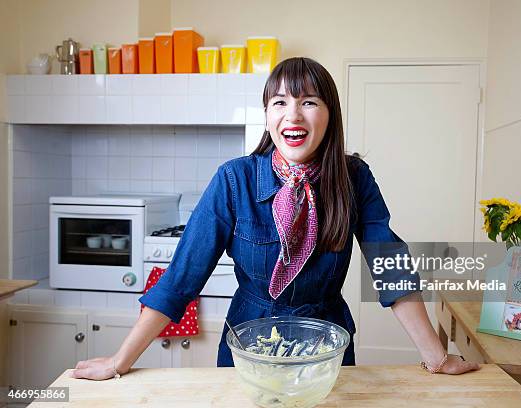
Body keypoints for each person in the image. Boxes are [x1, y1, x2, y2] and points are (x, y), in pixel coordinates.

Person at [71, 57, 479, 380]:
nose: (293, 114)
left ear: (329, 115)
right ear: (267, 114)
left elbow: (389, 263)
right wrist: (120, 360)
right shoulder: (235, 179)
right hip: (247, 350)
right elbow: (181, 277)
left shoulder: (354, 177)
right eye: (280, 102)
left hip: (327, 349)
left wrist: (435, 357)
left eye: (309, 102)